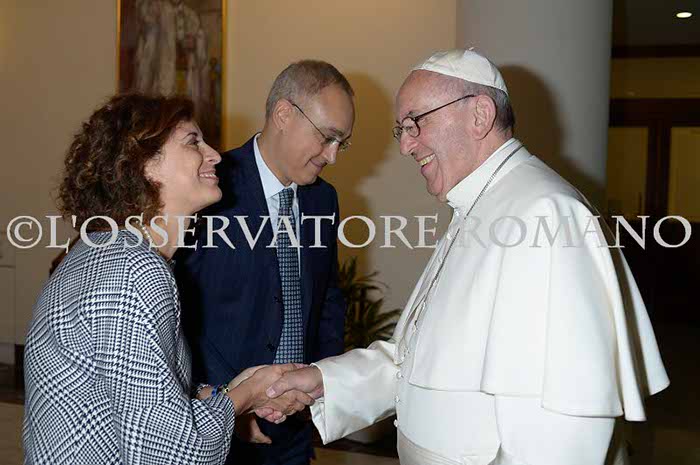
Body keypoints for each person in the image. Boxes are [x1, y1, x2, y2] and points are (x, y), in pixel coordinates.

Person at [266, 49, 670, 465]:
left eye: (415, 122)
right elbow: (414, 361)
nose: (405, 145)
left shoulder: (545, 213)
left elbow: (563, 430)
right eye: (401, 129)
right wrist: (323, 380)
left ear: (479, 115)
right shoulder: (479, 206)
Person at [23, 94, 314, 465]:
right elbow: (170, 452)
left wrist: (223, 394)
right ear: (143, 164)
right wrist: (246, 396)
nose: (215, 155)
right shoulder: (135, 270)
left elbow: (133, 395)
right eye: (193, 142)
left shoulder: (103, 251)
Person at [175, 60, 353, 465]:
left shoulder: (323, 199)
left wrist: (318, 384)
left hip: (294, 424)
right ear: (284, 114)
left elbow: (327, 299)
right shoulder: (208, 186)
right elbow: (177, 310)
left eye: (341, 143)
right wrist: (223, 400)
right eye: (327, 137)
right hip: (219, 427)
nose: (332, 156)